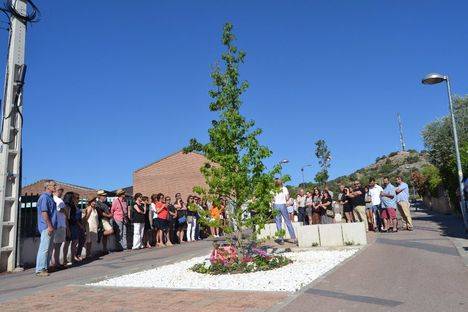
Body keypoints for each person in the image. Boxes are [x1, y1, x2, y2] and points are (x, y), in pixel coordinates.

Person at [35, 180, 58, 276]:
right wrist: (49, 226)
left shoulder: (50, 198)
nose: (55, 186)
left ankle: (45, 267)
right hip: (46, 227)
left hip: (50, 227)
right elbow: (44, 213)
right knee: (44, 248)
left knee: (49, 248)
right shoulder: (44, 197)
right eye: (54, 185)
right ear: (48, 187)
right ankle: (40, 269)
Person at [272, 179, 296, 244]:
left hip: (275, 205)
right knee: (288, 221)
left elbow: (272, 198)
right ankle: (293, 238)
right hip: (283, 205)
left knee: (278, 222)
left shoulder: (272, 189)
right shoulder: (284, 188)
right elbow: (287, 198)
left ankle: (281, 239)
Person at [51, 187, 66, 270]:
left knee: (55, 245)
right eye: (61, 191)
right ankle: (56, 263)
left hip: (58, 224)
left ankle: (55, 262)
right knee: (57, 245)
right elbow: (61, 210)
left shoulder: (53, 200)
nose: (61, 193)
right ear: (57, 191)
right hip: (59, 225)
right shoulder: (58, 200)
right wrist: (65, 210)